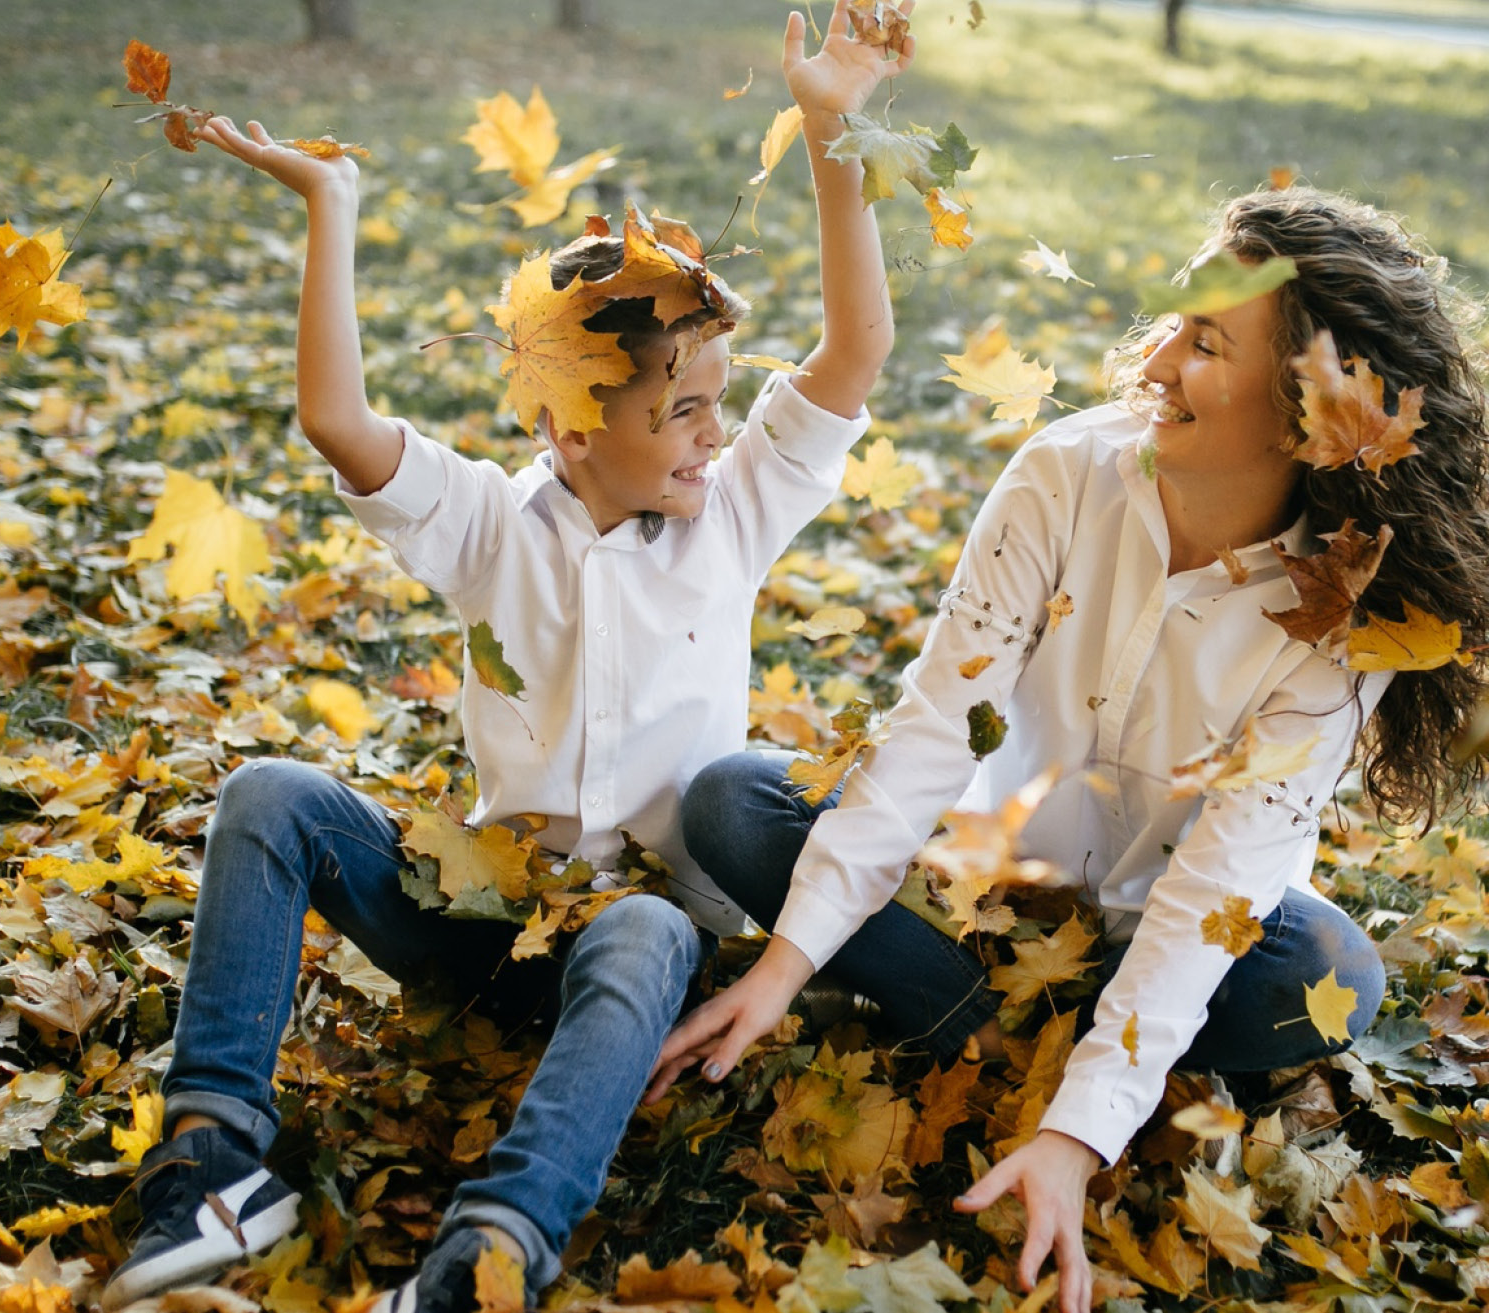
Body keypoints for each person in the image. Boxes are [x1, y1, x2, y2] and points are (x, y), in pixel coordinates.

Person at [652, 186, 1489, 1313]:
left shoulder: (1348, 614)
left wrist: (1072, 1140)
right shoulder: (1065, 473)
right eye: (1172, 322)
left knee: (1330, 971)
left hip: (1169, 929)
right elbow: (933, 728)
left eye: (1203, 342)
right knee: (734, 801)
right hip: (979, 889)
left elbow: (1215, 897)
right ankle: (1015, 1022)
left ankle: (1006, 1036)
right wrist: (783, 965)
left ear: (1309, 415)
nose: (1151, 359)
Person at [101, 12, 914, 1312]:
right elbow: (335, 419)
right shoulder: (488, 520)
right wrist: (333, 204)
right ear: (569, 424)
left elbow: (856, 349)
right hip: (483, 920)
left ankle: (487, 1250)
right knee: (266, 795)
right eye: (682, 409)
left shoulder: (736, 515)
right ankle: (214, 1164)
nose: (715, 434)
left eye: (718, 399)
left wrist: (834, 131)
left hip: (642, 954)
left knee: (646, 921)